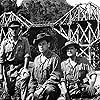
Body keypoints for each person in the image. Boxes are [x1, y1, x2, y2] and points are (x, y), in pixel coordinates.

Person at [27, 33, 63, 100]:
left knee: (49, 90)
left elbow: (55, 77)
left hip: (51, 87)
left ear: (48, 45)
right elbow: (33, 79)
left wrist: (42, 89)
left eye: (43, 44)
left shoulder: (55, 58)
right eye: (39, 45)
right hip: (39, 87)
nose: (41, 46)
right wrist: (31, 92)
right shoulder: (36, 59)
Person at [0, 20, 31, 100]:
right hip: (9, 68)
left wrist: (25, 68)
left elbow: (27, 55)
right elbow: (1, 59)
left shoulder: (24, 41)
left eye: (16, 28)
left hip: (20, 67)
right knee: (9, 91)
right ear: (9, 30)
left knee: (26, 76)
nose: (14, 30)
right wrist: (1, 73)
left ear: (19, 29)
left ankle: (23, 98)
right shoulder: (5, 43)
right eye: (12, 28)